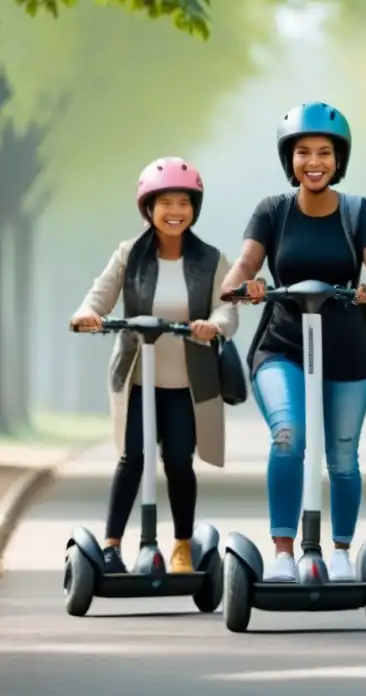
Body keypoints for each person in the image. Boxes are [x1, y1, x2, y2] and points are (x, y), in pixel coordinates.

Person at [219, 101, 366, 582]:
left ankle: (338, 552)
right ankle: (283, 552)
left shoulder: (358, 212)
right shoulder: (273, 212)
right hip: (283, 346)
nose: (313, 162)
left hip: (348, 349)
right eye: (303, 152)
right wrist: (243, 285)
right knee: (288, 437)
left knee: (341, 456)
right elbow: (244, 265)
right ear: (289, 159)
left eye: (324, 152)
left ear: (339, 160)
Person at [69, 157, 239, 574]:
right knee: (132, 458)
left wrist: (212, 326)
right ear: (149, 207)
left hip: (186, 383)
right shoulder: (129, 255)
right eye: (166, 202)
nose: (175, 211)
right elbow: (100, 294)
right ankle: (111, 546)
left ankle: (181, 545)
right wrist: (87, 315)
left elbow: (227, 308)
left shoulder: (211, 259)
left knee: (179, 461)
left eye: (184, 202)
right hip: (138, 378)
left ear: (194, 208)